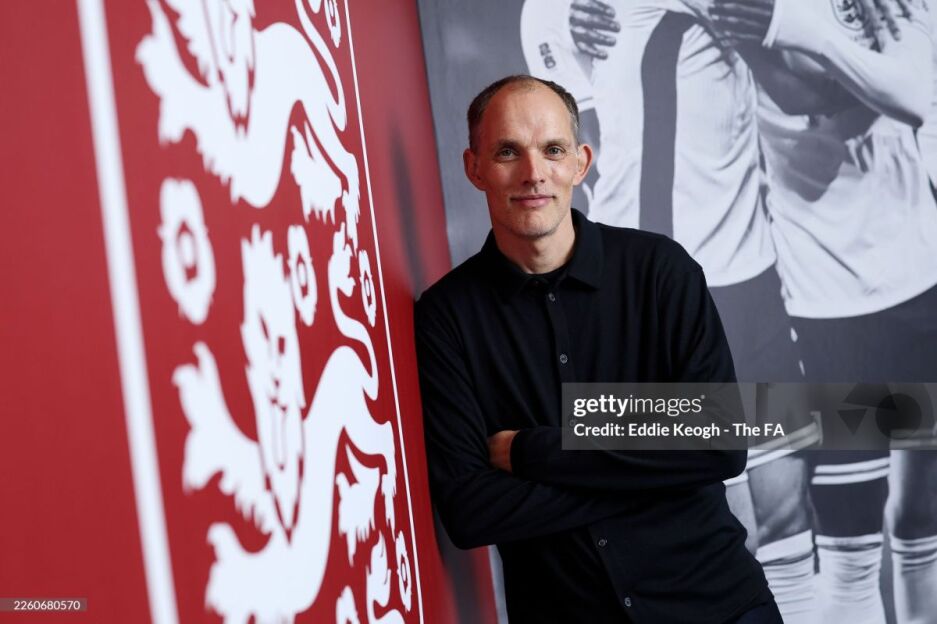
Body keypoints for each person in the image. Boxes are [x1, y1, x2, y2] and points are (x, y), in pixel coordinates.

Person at [415, 74, 780, 623]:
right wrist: (656, 471)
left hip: (721, 608)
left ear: (580, 163)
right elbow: (472, 510)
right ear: (475, 168)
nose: (534, 173)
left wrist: (533, 452)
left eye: (553, 150)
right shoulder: (447, 316)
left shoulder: (660, 271)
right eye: (508, 151)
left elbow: (721, 444)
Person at [520, 3, 820, 620]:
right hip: (660, 302)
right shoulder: (555, 11)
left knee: (789, 515)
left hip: (752, 279)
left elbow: (805, 93)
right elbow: (583, 156)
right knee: (722, 527)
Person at [710, 1, 937, 623]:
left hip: (922, 282)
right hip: (830, 304)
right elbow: (799, 97)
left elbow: (916, 92)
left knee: (923, 521)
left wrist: (798, 32)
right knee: (851, 549)